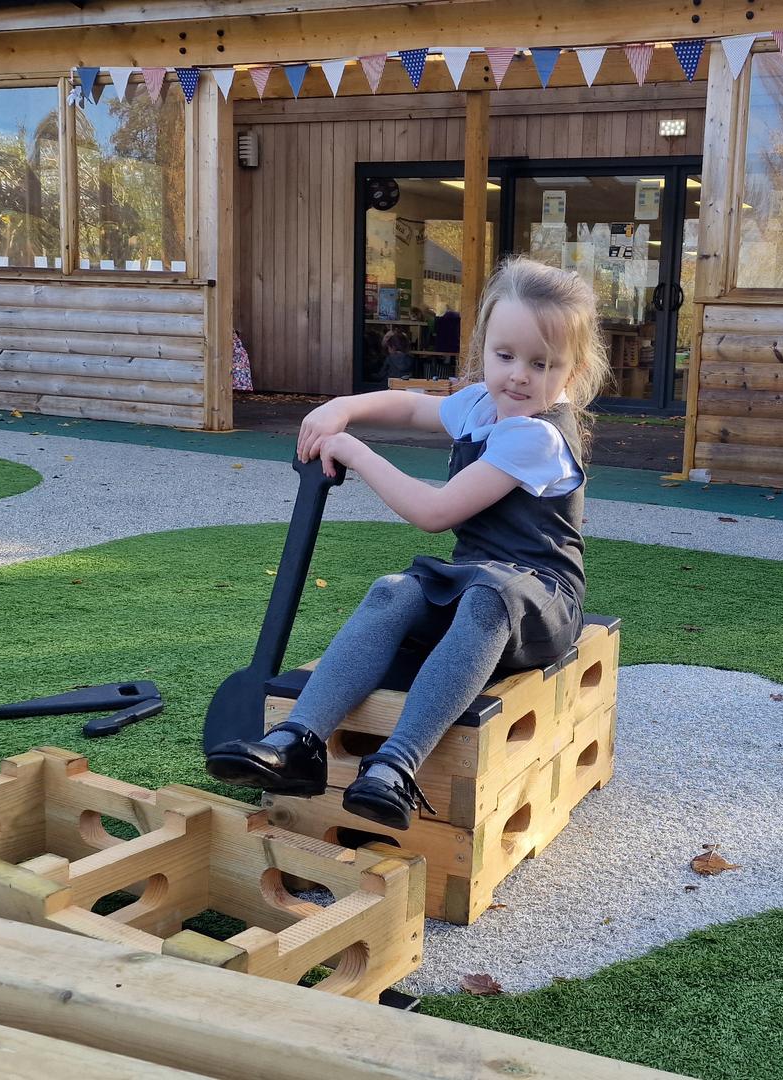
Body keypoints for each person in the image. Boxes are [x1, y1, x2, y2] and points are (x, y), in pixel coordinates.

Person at [206, 258, 609, 829]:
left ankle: (397, 766)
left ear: (572, 372)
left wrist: (355, 451)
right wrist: (344, 407)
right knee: (394, 590)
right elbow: (413, 406)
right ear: (484, 346)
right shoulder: (482, 403)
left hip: (541, 598)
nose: (519, 375)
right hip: (477, 578)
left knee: (486, 598)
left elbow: (434, 512)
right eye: (505, 356)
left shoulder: (536, 436)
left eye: (542, 363)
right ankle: (300, 742)